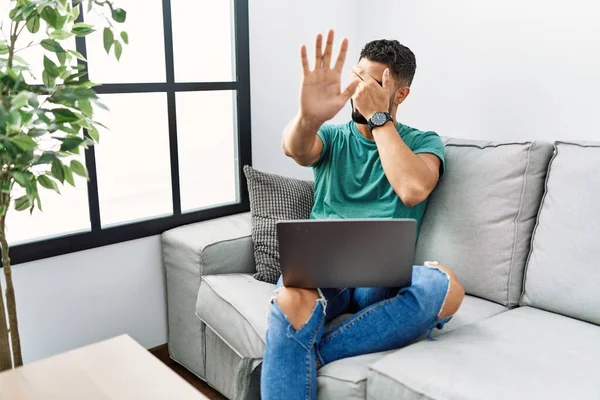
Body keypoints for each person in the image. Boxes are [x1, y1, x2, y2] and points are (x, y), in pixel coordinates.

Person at [261, 30, 465, 400]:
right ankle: (301, 348)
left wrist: (379, 119)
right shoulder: (335, 137)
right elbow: (297, 149)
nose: (357, 90)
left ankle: (307, 351)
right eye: (356, 78)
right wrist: (308, 117)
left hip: (380, 282)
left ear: (400, 94)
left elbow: (413, 188)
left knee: (444, 286)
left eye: (370, 83)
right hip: (323, 269)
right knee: (289, 300)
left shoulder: (423, 141)